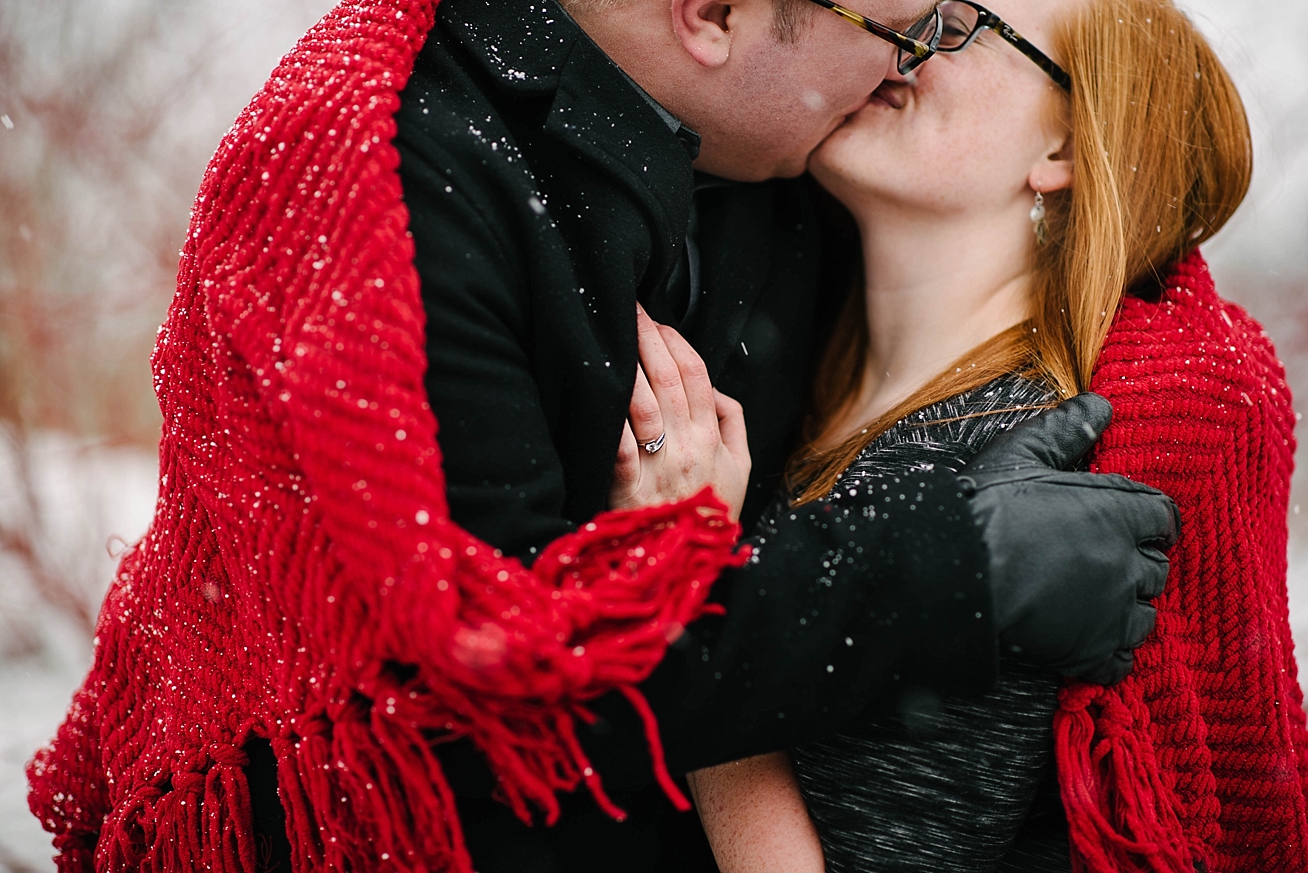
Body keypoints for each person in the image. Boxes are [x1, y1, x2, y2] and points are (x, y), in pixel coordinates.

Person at [26, 0, 1179, 870]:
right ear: (716, 19)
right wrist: (944, 572)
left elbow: (1143, 184)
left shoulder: (784, 150)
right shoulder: (395, 182)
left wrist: (1205, 396)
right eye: (904, 26)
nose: (902, 64)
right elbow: (496, 698)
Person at [686, 0, 1308, 870]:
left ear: (1064, 151)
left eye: (954, 24)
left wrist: (690, 589)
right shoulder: (807, 385)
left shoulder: (1019, 472)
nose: (898, 37)